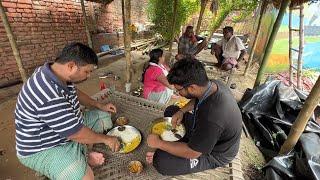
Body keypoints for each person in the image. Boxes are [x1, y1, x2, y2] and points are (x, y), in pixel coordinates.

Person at [15, 42, 120, 180]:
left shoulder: (55, 72)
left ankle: (78, 155)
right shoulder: (47, 94)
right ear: (71, 66)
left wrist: (99, 105)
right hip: (44, 148)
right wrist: (107, 139)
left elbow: (75, 92)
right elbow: (75, 133)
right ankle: (78, 157)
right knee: (86, 177)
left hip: (67, 128)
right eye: (87, 71)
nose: (88, 76)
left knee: (105, 118)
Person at [146, 59, 242, 176]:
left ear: (191, 88)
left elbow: (193, 153)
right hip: (207, 130)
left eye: (178, 90)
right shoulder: (211, 85)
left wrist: (159, 144)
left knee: (161, 161)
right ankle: (183, 141)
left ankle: (183, 144)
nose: (177, 93)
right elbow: (196, 99)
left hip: (216, 153)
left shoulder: (212, 117)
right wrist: (181, 111)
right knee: (171, 111)